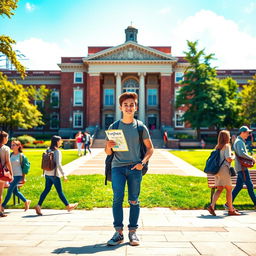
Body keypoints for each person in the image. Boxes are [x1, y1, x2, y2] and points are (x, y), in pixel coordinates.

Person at [105, 92, 154, 246]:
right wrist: (107, 146)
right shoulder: (114, 127)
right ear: (121, 107)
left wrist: (143, 163)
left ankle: (132, 233)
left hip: (135, 168)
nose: (128, 107)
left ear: (135, 107)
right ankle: (118, 233)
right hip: (117, 167)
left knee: (134, 200)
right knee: (117, 198)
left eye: (131, 105)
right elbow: (108, 153)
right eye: (125, 105)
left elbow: (150, 149)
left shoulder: (140, 127)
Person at [35, 135, 78, 215]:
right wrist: (64, 175)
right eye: (60, 140)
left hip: (47, 174)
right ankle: (68, 206)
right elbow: (58, 164)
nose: (61, 142)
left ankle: (38, 205)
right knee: (60, 191)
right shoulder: (57, 151)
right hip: (55, 175)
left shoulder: (48, 150)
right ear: (57, 142)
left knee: (46, 190)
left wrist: (44, 172)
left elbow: (45, 161)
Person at [207, 130, 240, 216]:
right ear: (226, 137)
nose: (229, 137)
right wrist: (233, 156)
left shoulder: (218, 146)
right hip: (224, 170)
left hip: (217, 171)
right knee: (229, 189)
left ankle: (212, 206)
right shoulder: (227, 146)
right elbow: (228, 158)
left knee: (220, 189)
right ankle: (231, 210)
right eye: (228, 136)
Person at [2, 140, 31, 212]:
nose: (12, 146)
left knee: (10, 190)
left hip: (18, 175)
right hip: (11, 176)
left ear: (18, 146)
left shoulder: (22, 156)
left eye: (14, 145)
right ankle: (26, 201)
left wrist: (24, 178)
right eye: (11, 145)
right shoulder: (11, 155)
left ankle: (2, 206)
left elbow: (26, 167)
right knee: (15, 191)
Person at [231, 126, 256, 208]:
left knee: (239, 186)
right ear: (242, 132)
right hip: (242, 168)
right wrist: (251, 158)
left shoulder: (240, 141)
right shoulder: (239, 142)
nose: (248, 134)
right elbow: (241, 153)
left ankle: (228, 204)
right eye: (248, 132)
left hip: (241, 167)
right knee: (250, 185)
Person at [0, 131, 13, 217]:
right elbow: (8, 162)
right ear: (3, 138)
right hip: (1, 173)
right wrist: (11, 173)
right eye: (7, 137)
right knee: (0, 192)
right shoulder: (6, 148)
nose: (7, 139)